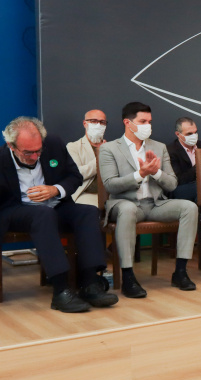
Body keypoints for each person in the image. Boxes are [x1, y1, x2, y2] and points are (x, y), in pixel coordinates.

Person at [0, 117, 118, 312]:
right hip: (17, 210)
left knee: (88, 212)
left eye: (39, 150)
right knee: (43, 215)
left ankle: (89, 283)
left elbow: (74, 177)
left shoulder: (53, 144)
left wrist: (55, 189)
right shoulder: (2, 159)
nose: (35, 156)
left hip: (55, 204)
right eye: (28, 152)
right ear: (11, 146)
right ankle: (61, 290)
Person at [99, 102, 199, 298]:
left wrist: (156, 173)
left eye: (149, 121)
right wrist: (140, 174)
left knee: (189, 207)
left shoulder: (159, 147)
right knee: (127, 210)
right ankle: (128, 276)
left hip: (155, 204)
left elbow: (171, 184)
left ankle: (180, 271)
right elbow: (111, 185)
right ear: (127, 122)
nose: (148, 126)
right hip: (125, 204)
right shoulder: (109, 149)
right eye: (142, 121)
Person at [66, 109, 107, 207]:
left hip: (111, 195)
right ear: (85, 123)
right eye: (93, 121)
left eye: (102, 122)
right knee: (93, 210)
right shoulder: (73, 147)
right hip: (86, 193)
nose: (98, 125)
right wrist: (100, 155)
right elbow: (78, 174)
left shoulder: (111, 147)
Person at [166, 117, 200, 202]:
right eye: (189, 134)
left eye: (195, 132)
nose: (194, 136)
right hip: (180, 189)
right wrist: (200, 165)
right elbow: (178, 180)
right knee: (200, 188)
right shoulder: (170, 151)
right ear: (178, 134)